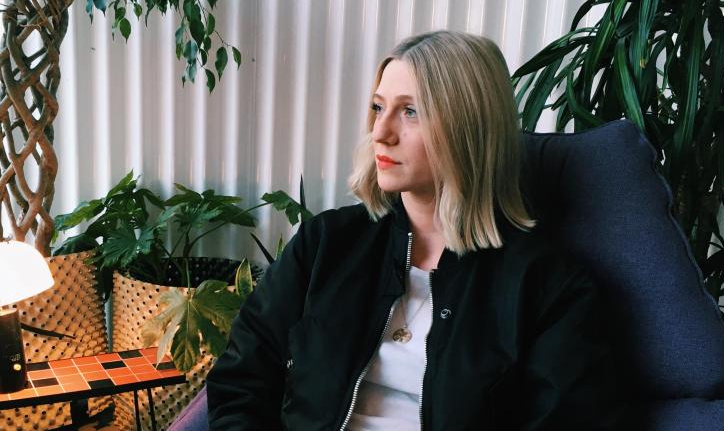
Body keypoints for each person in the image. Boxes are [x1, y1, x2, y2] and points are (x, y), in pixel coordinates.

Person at [206, 30, 624, 430]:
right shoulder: (325, 245)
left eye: (411, 112)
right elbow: (242, 380)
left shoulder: (547, 286)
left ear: (468, 128)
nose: (381, 133)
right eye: (378, 107)